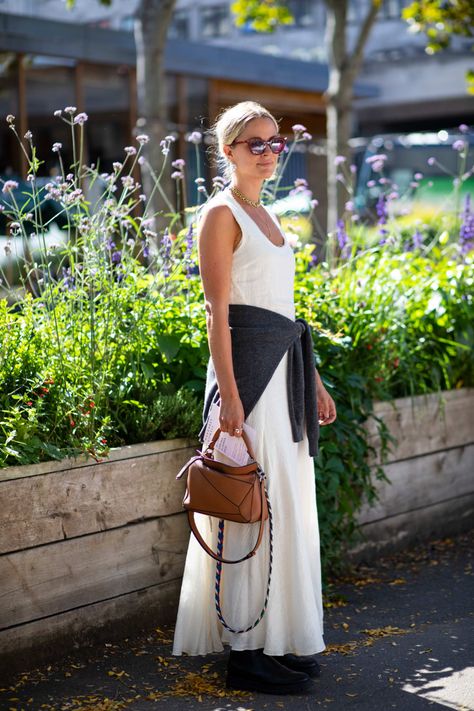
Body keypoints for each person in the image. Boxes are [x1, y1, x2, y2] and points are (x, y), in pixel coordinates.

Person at [172, 101, 337, 695]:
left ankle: (274, 641)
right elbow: (217, 313)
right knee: (250, 512)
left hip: (285, 377)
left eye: (274, 143)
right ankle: (244, 654)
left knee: (282, 506)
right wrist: (230, 402)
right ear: (229, 151)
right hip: (249, 385)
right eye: (255, 144)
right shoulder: (220, 214)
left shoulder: (266, 213)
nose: (269, 153)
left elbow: (283, 310)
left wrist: (313, 379)